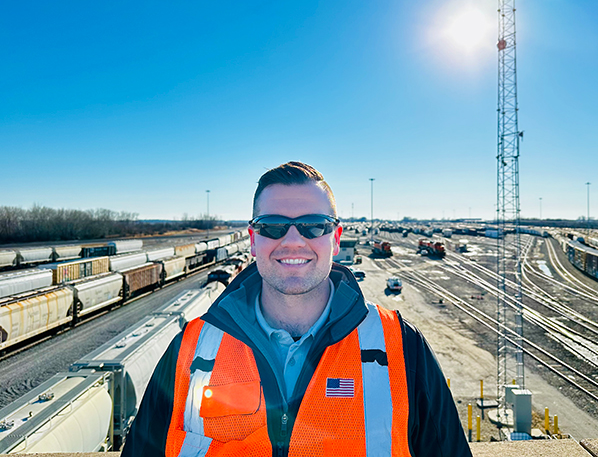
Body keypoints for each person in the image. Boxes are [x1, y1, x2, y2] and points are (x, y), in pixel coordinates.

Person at [121, 161, 472, 457]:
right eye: (272, 226)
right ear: (253, 239)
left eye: (313, 225)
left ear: (335, 238)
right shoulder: (190, 350)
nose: (292, 240)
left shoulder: (401, 347)